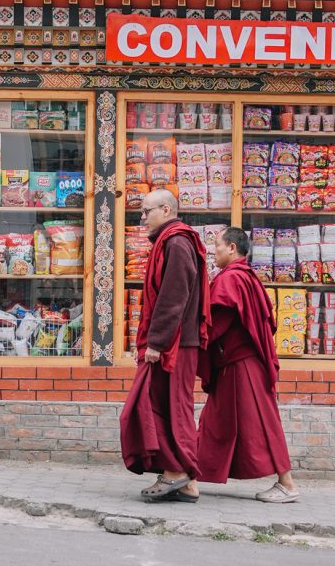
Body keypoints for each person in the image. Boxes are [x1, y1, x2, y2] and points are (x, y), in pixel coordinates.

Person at [119, 188, 211, 503]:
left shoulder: (177, 243)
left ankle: (177, 471)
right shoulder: (171, 242)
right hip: (174, 341)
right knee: (164, 404)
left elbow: (173, 298)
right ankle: (186, 483)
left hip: (175, 344)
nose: (142, 218)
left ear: (166, 210)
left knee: (170, 407)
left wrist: (156, 343)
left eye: (147, 211)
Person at [197, 226, 299, 503]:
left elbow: (216, 324)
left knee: (263, 419)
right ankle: (187, 474)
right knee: (215, 420)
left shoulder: (232, 279)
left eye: (217, 245)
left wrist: (189, 341)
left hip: (242, 364)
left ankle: (287, 484)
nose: (213, 251)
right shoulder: (246, 277)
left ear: (232, 248)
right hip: (238, 362)